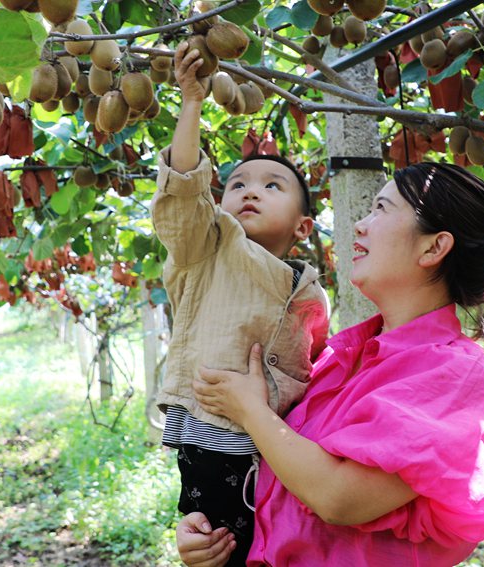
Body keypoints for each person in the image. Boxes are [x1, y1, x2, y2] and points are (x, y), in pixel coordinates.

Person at [178, 161, 484, 566]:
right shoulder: (341, 355)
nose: (360, 225)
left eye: (381, 209)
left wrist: (250, 410)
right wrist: (214, 534)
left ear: (433, 247)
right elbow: (282, 473)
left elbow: (338, 498)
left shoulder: (459, 377)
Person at [151, 42, 330, 566]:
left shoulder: (310, 288)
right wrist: (192, 104)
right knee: (221, 550)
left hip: (278, 448)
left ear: (302, 227)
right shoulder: (205, 247)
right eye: (236, 184)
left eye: (272, 185)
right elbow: (184, 192)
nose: (250, 191)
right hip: (213, 437)